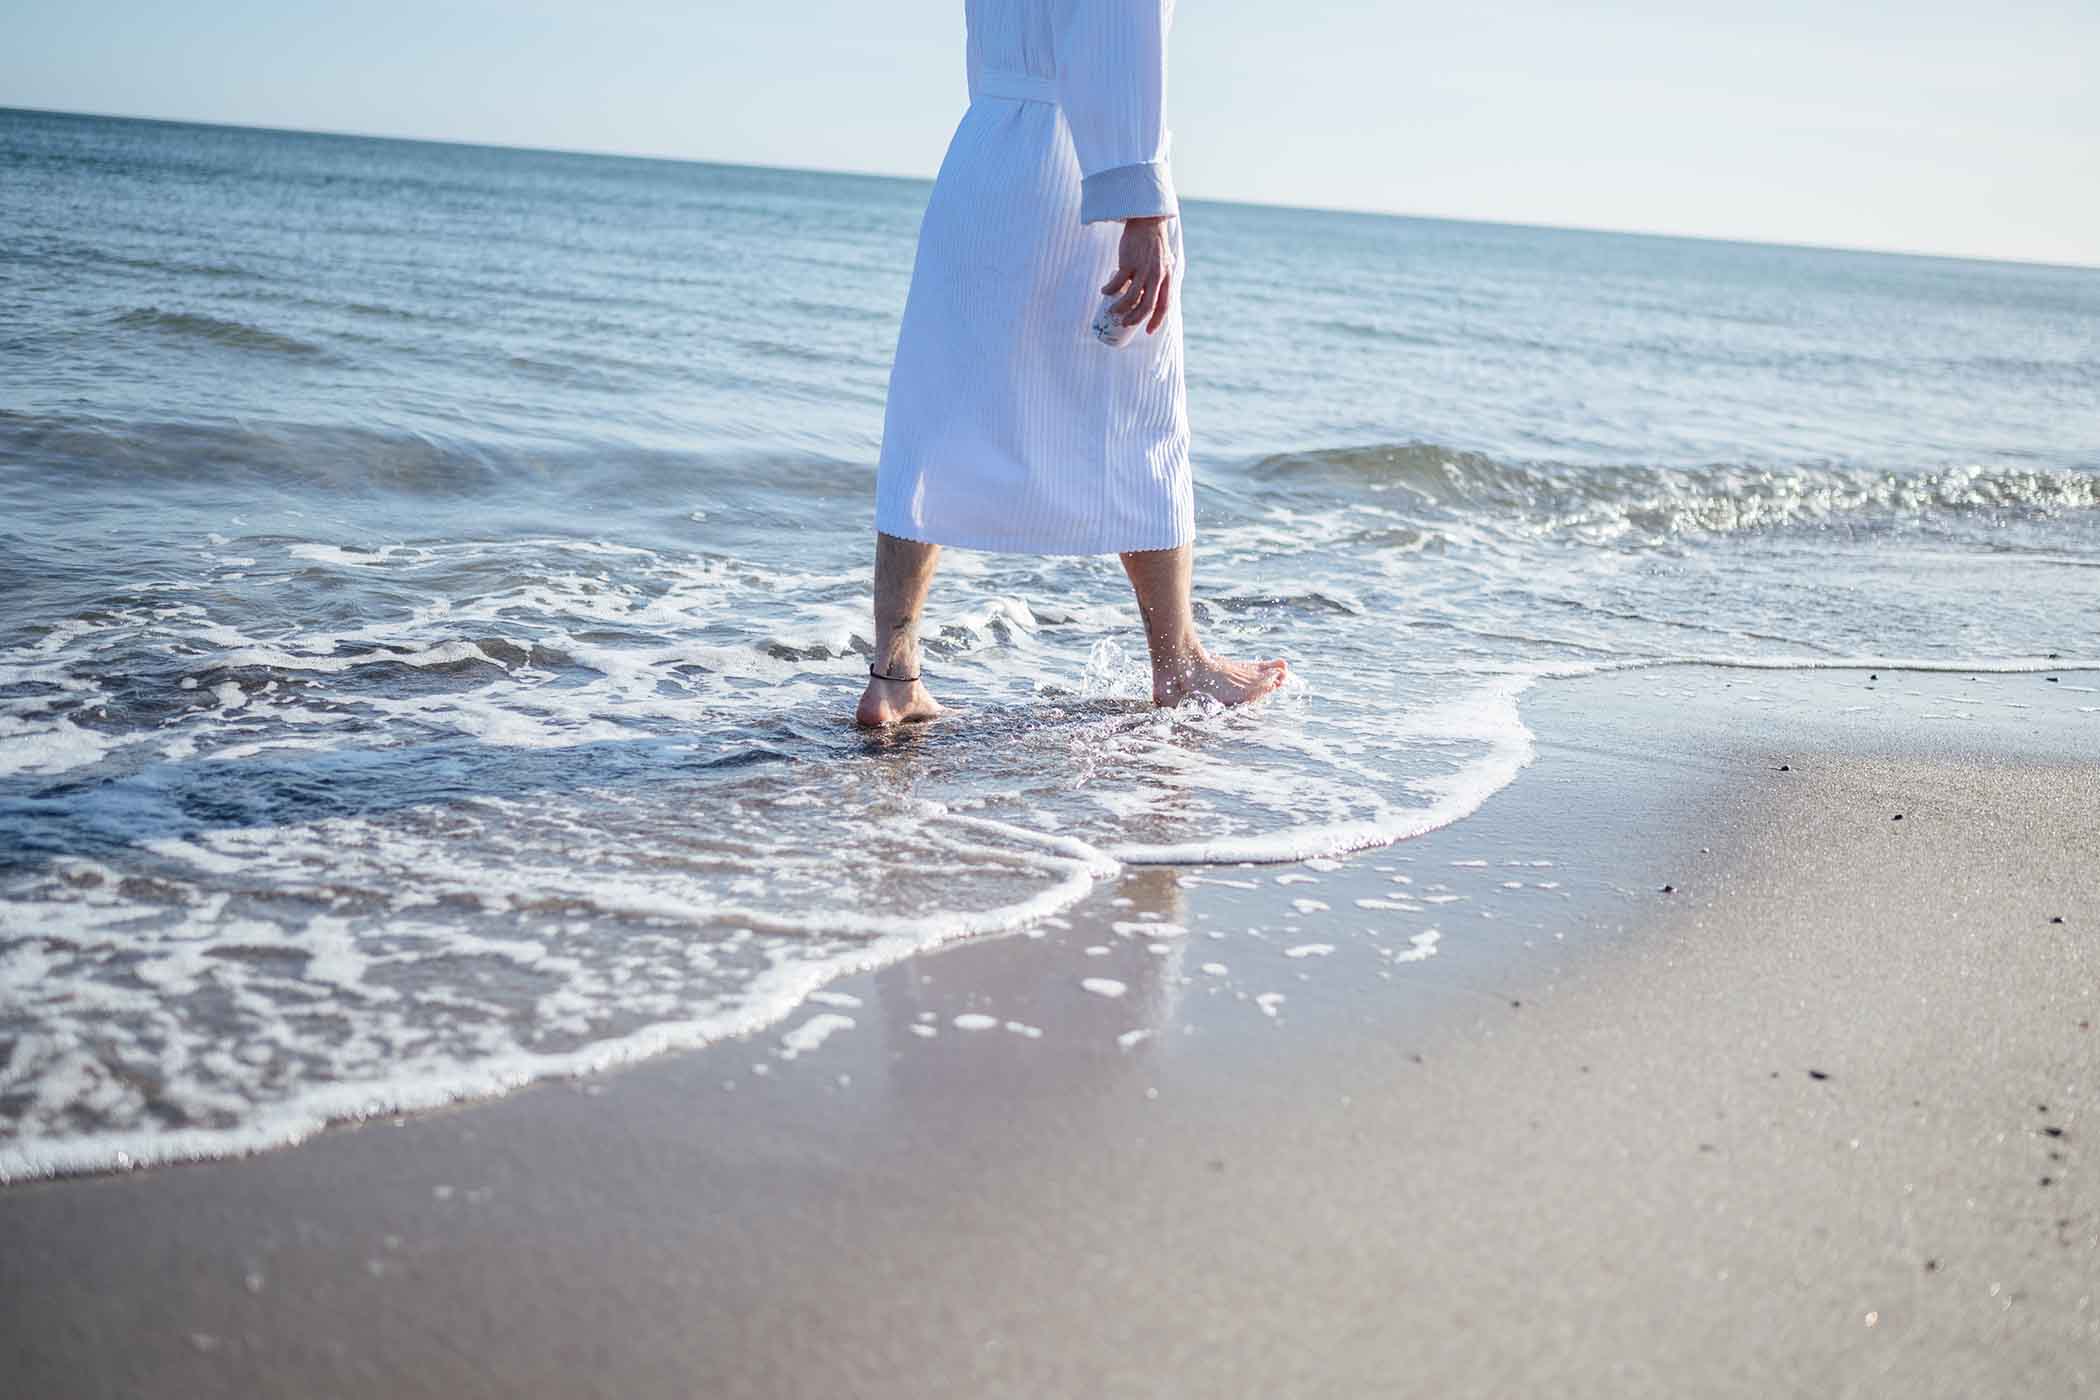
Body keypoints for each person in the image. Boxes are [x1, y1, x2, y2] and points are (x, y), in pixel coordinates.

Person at [856, 0, 1288, 728]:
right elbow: (1121, 28)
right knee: (1138, 414)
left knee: (930, 419)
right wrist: (1142, 209)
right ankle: (1179, 664)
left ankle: (892, 677)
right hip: (1081, 170)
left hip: (983, 155)